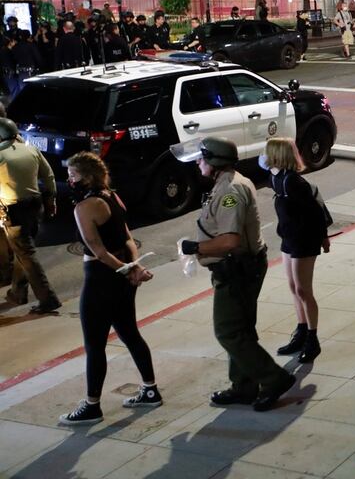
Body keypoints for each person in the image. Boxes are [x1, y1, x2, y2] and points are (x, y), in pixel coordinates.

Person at [172, 137, 295, 412]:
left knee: (228, 331)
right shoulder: (225, 183)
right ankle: (244, 386)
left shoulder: (230, 190)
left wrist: (196, 247)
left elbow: (229, 241)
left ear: (215, 161)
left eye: (201, 158)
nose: (197, 162)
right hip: (239, 267)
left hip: (238, 269)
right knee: (240, 329)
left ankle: (274, 378)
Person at [58, 152, 159, 426]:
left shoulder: (85, 207)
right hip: (122, 275)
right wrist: (133, 267)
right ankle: (150, 389)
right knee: (129, 333)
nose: (69, 179)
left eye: (74, 175)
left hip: (101, 278)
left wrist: (129, 269)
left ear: (87, 176)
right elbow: (128, 237)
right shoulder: (112, 196)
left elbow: (98, 251)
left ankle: (92, 406)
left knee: (95, 345)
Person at [263, 138, 330, 364]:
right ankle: (301, 330)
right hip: (289, 238)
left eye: (267, 152)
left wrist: (323, 238)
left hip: (304, 240)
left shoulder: (293, 183)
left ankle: (312, 338)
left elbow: (315, 214)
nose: (263, 157)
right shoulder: (276, 177)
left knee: (303, 290)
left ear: (277, 155)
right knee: (293, 287)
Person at [0, 118, 61, 312]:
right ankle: (18, 291)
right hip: (36, 205)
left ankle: (48, 298)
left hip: (14, 209)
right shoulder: (30, 149)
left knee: (27, 254)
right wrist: (51, 200)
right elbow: (49, 175)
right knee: (23, 252)